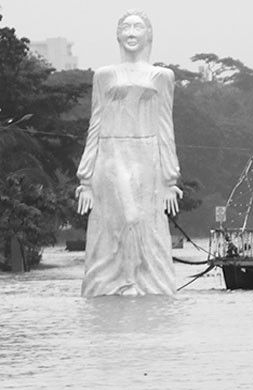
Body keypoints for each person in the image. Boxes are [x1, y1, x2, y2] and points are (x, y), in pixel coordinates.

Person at [75, 10, 182, 297]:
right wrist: (85, 180)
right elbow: (95, 123)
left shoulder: (162, 76)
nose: (132, 32)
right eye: (126, 27)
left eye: (138, 27)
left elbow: (165, 126)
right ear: (118, 35)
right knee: (124, 218)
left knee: (146, 223)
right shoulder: (104, 75)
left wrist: (170, 181)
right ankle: (116, 282)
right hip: (112, 153)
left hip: (147, 156)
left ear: (149, 34)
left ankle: (145, 284)